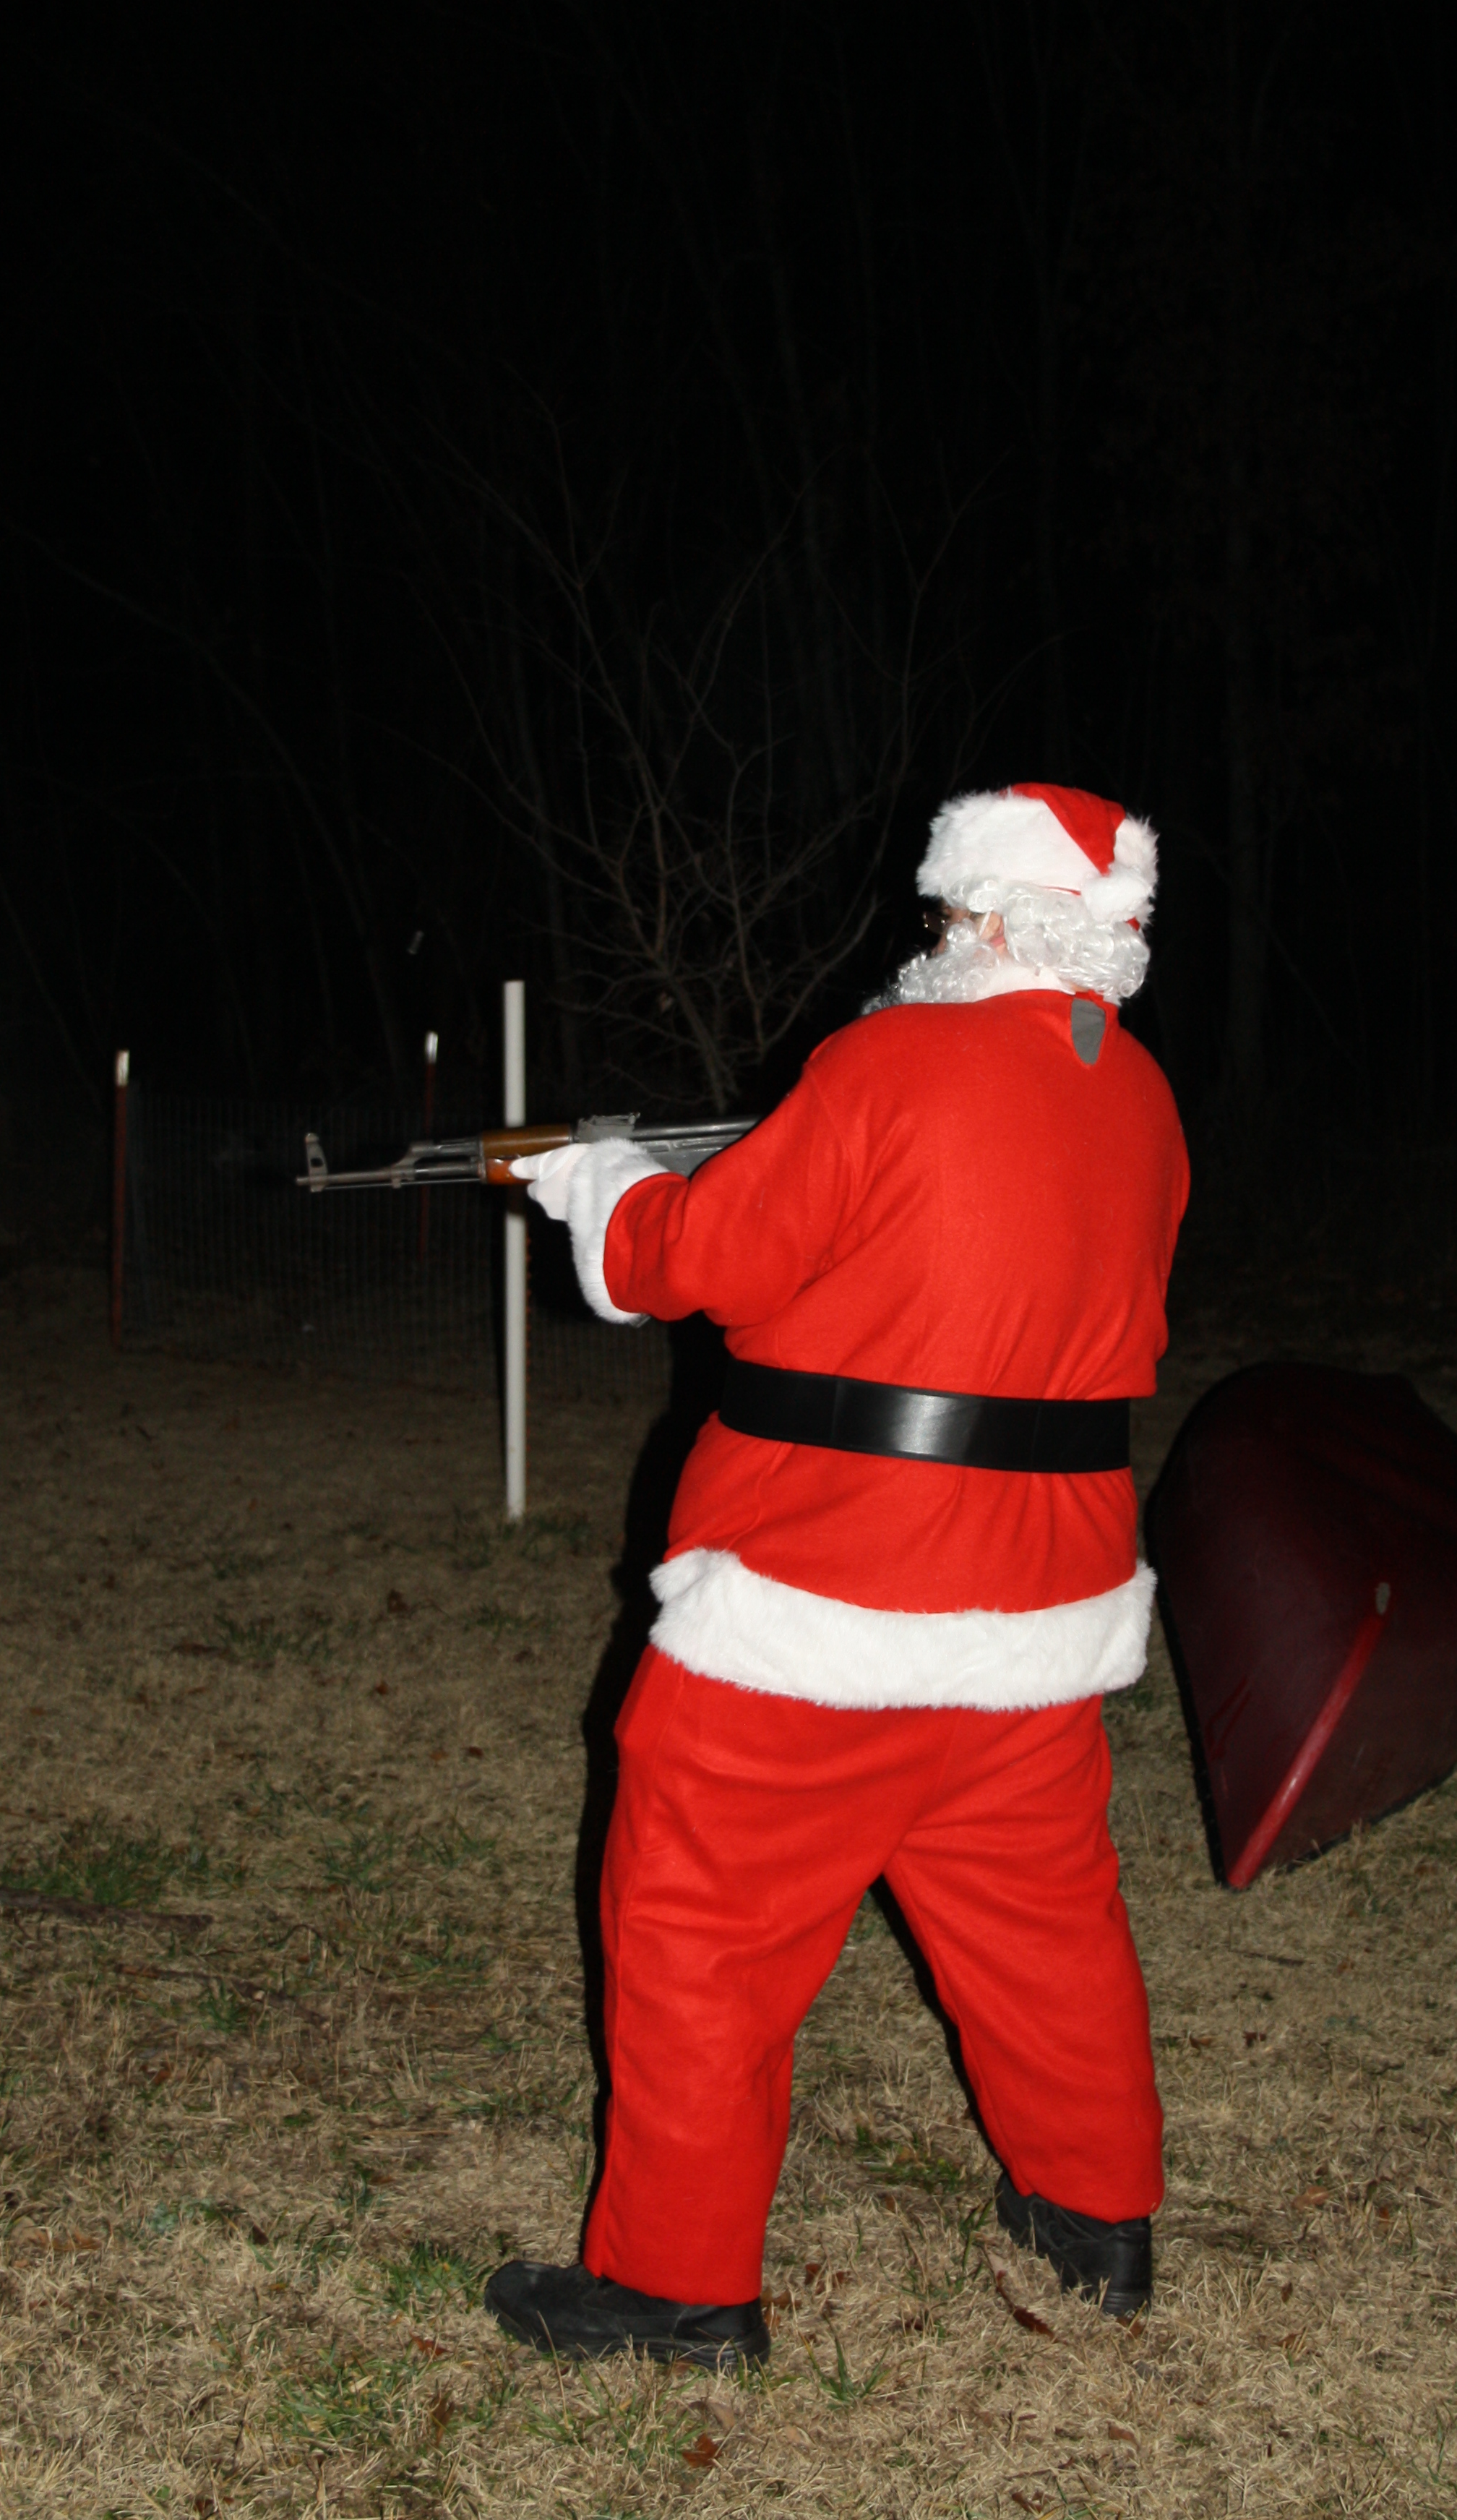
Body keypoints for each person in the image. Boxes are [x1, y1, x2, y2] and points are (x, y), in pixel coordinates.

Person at [486, 782, 1190, 2366]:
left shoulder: (890, 1063)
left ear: (992, 913)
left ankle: (675, 2287)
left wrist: (604, 1185)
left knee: (699, 1934)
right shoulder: (1142, 1096)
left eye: (948, 912)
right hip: (1041, 1614)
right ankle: (1098, 2217)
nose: (933, 935)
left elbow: (691, 1262)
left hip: (821, 1605)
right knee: (1045, 1931)